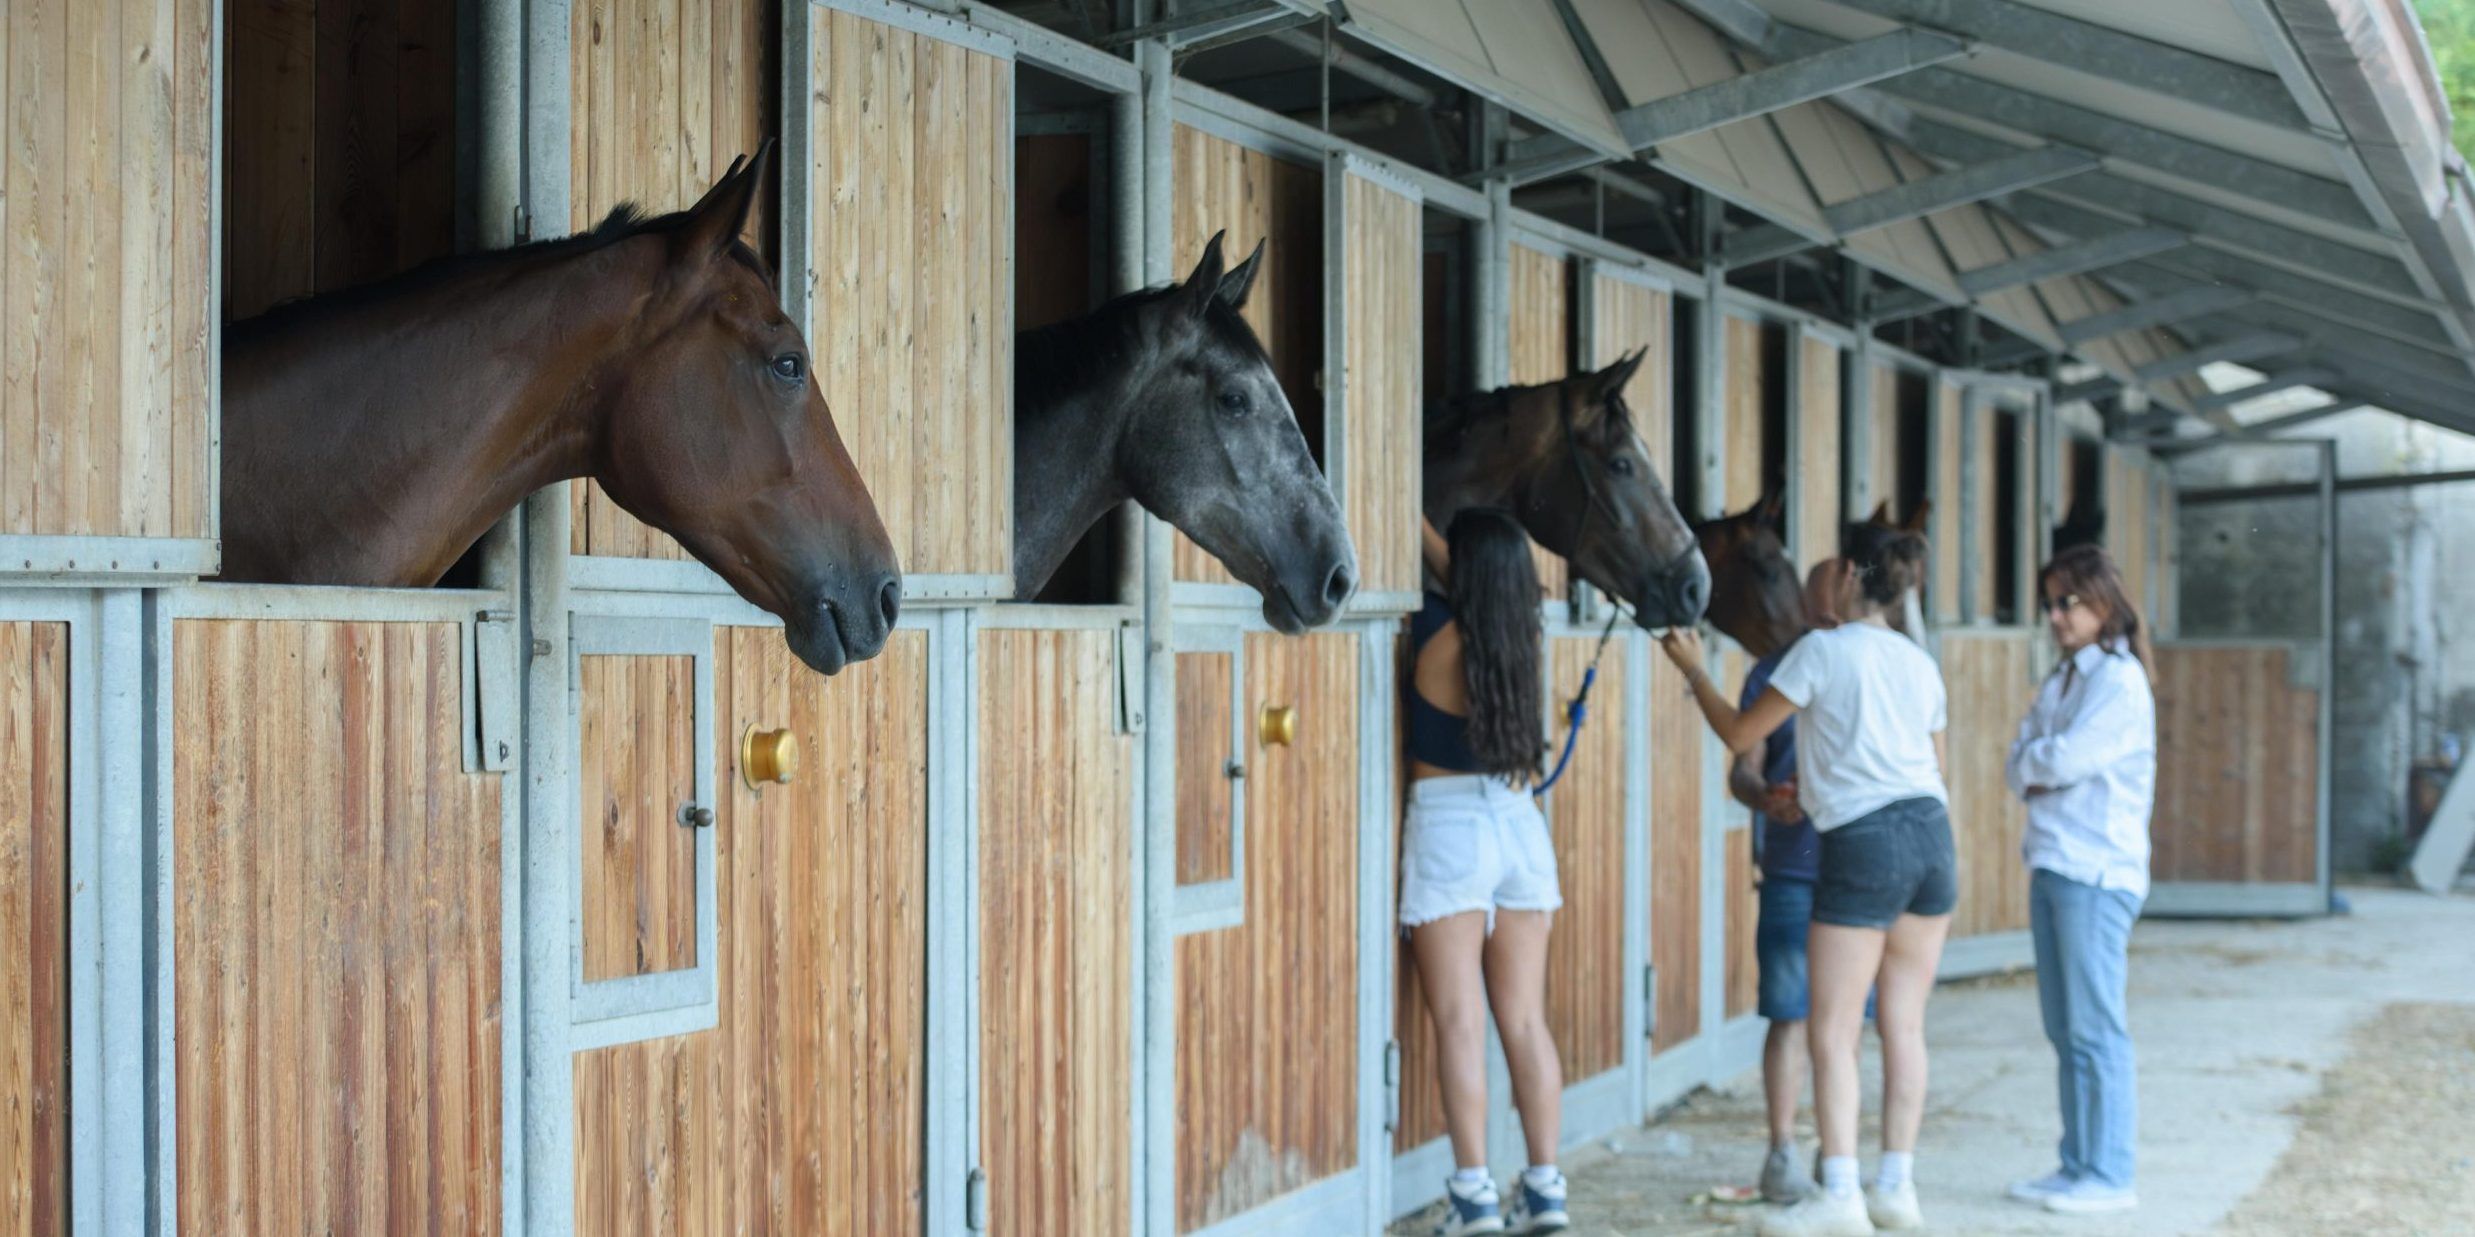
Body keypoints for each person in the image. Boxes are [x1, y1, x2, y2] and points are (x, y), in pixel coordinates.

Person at [1659, 524, 1952, 1237]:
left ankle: (1841, 1195)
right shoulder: (1919, 663)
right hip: (1932, 838)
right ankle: (1896, 1188)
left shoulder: (1821, 650)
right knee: (1904, 1022)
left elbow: (1738, 734)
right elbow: (1931, 764)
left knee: (1828, 1026)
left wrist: (1694, 669)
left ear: (1850, 574)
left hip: (1864, 840)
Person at [1403, 509, 1569, 1236]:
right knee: (1525, 1020)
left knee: (1460, 1021)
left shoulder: (1433, 632)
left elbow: (1436, 559)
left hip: (1449, 825)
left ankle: (1473, 1197)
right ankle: (1544, 1190)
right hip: (1518, 820)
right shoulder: (1520, 640)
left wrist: (1408, 507)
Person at [2004, 543, 2157, 1216]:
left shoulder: (2119, 682)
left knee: (2096, 1025)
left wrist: (2037, 761)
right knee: (2064, 1027)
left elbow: (2062, 760)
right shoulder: (2066, 679)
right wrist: (2037, 761)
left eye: (2067, 602)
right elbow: (2019, 762)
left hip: (2094, 871)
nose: (2055, 616)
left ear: (2102, 602)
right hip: (2052, 861)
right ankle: (2076, 1162)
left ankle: (2109, 1169)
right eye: (2048, 603)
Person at [1735, 559, 1868, 1202]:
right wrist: (1764, 798)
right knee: (1789, 1012)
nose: (1826, 623)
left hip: (1853, 864)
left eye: (1833, 610)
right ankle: (1781, 1149)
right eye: (1816, 612)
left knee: (1847, 1020)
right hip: (1792, 864)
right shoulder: (1772, 673)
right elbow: (1743, 766)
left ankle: (1835, 1150)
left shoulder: (1873, 665)